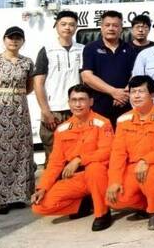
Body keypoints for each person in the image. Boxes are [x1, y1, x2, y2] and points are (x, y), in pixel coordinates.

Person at [31, 84, 114, 232]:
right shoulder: (62, 129)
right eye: (74, 100)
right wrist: (42, 187)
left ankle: (103, 213)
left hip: (99, 175)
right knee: (39, 206)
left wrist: (79, 159)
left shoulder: (103, 123)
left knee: (94, 168)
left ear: (91, 102)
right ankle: (83, 204)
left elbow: (108, 151)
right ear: (69, 103)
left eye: (82, 99)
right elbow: (55, 163)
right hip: (76, 178)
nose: (78, 104)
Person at [0, 26, 36, 214]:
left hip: (20, 112)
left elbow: (29, 86)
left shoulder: (27, 63)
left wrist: (15, 94)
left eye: (18, 38)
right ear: (4, 39)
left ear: (23, 41)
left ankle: (18, 194)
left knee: (21, 152)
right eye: (11, 37)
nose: (14, 41)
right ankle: (0, 198)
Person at [107, 75, 154, 230]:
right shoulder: (123, 120)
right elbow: (118, 153)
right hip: (132, 166)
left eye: (141, 91)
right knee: (115, 199)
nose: (136, 96)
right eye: (133, 92)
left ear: (152, 94)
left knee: (150, 177)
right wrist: (115, 180)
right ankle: (144, 204)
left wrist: (146, 160)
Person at [33, 10, 84, 166]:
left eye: (71, 24)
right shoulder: (47, 50)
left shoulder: (82, 49)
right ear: (56, 25)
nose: (67, 28)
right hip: (54, 110)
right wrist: (46, 111)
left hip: (77, 108)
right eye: (63, 24)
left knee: (77, 151)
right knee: (53, 154)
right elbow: (38, 83)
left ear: (76, 27)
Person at [81, 10, 137, 126]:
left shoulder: (130, 49)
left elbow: (135, 75)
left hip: (125, 105)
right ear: (101, 27)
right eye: (107, 25)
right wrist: (113, 92)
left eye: (115, 25)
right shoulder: (90, 48)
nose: (111, 28)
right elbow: (87, 76)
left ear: (121, 28)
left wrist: (124, 94)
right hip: (98, 108)